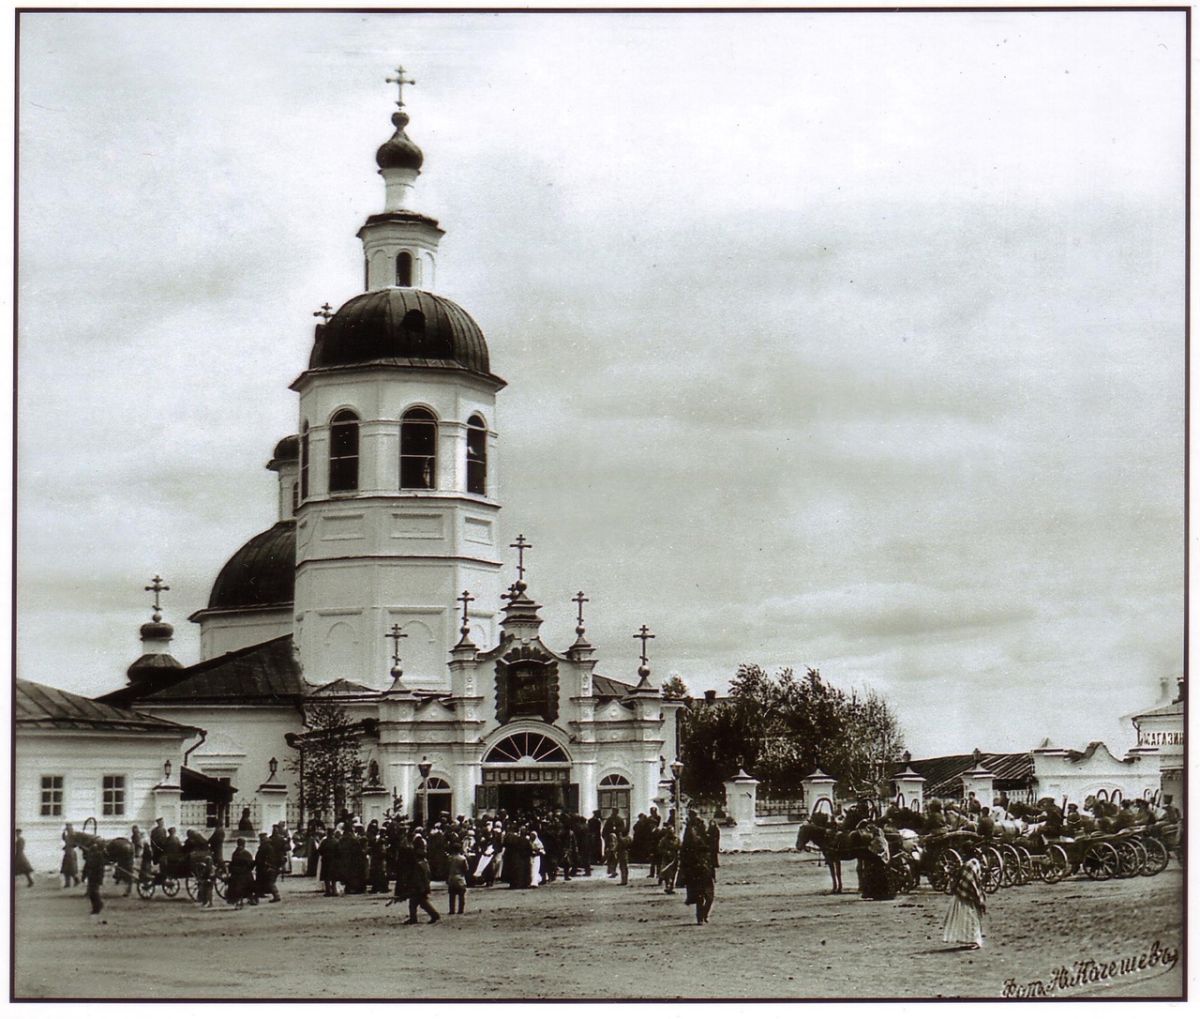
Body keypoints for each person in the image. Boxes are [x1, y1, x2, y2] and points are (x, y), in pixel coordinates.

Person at [943, 856, 986, 949]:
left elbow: (970, 881)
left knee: (970, 917)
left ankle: (975, 940)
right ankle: (971, 939)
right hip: (968, 895)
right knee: (969, 917)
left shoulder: (968, 865)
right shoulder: (974, 864)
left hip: (965, 895)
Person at [679, 816, 715, 924]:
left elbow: (710, 856)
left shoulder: (705, 839)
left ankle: (704, 914)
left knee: (709, 897)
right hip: (696, 873)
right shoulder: (690, 843)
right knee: (700, 897)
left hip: (706, 873)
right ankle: (700, 918)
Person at [403, 854, 440, 925]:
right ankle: (433, 914)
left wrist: (415, 886)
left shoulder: (418, 865)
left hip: (419, 887)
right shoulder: (426, 864)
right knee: (422, 902)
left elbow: (417, 878)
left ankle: (414, 918)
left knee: (414, 903)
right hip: (425, 885)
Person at [82, 840, 107, 922]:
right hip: (93, 876)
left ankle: (97, 906)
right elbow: (87, 867)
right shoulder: (95, 856)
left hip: (94, 876)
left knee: (94, 892)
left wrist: (84, 876)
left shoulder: (97, 857)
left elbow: (99, 869)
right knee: (92, 892)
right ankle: (97, 906)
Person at [255, 833, 281, 903]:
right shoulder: (268, 847)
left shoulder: (265, 847)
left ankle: (276, 896)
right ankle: (258, 895)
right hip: (267, 867)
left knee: (269, 883)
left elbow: (262, 858)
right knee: (262, 882)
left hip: (266, 868)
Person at [446, 844, 468, 915]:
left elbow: (446, 868)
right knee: (461, 896)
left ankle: (452, 910)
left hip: (451, 877)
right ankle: (460, 910)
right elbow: (466, 868)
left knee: (452, 896)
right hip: (460, 877)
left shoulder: (449, 858)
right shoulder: (462, 858)